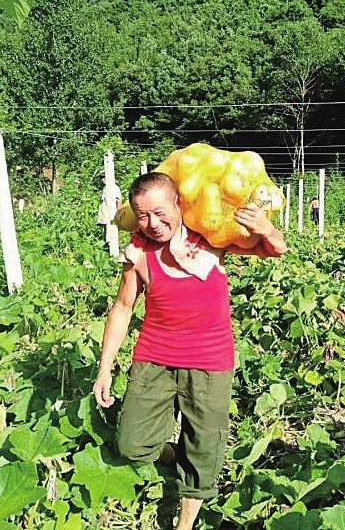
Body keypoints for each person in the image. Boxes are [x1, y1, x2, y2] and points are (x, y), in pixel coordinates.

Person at [93, 172, 287, 530]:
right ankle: (172, 454)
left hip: (209, 361)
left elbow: (276, 248)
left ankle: (185, 524)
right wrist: (104, 368)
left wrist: (265, 228)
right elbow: (122, 307)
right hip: (154, 357)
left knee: (203, 447)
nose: (152, 223)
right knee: (132, 444)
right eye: (142, 215)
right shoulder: (138, 252)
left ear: (178, 203)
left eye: (159, 212)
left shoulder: (210, 238)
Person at [97, 170, 122, 242]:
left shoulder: (114, 188)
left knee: (111, 238)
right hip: (104, 218)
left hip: (111, 217)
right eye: (101, 178)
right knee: (105, 238)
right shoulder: (104, 188)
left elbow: (119, 201)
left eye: (104, 177)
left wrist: (118, 215)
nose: (103, 179)